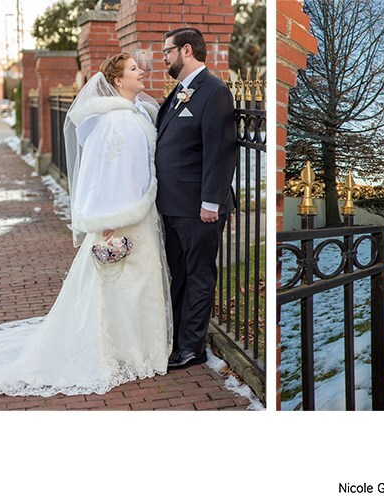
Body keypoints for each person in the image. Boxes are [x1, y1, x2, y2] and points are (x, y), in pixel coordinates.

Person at [0, 54, 172, 396]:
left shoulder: (135, 114)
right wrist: (108, 219)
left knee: (137, 286)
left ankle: (137, 349)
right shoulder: (114, 121)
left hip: (140, 213)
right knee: (120, 286)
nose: (142, 72)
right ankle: (120, 352)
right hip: (121, 219)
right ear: (118, 80)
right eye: (134, 69)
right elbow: (103, 173)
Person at [156, 27, 236, 369]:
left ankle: (192, 347)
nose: (164, 58)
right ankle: (177, 339)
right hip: (172, 206)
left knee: (199, 276)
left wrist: (210, 203)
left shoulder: (214, 91)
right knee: (180, 275)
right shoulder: (179, 92)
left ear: (186, 50)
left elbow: (219, 151)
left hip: (198, 208)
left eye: (167, 51)